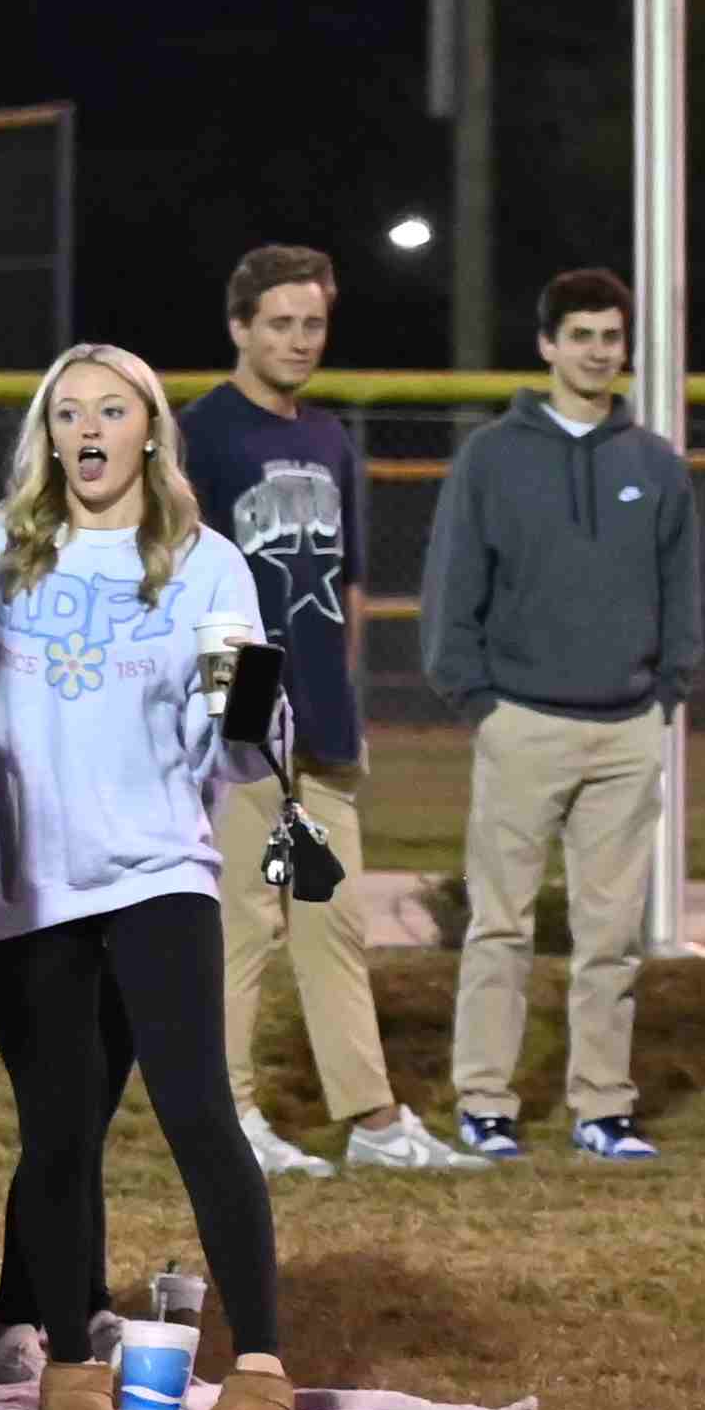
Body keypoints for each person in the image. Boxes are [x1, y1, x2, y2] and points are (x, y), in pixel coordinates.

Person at [0, 347, 299, 1410]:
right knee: (58, 1130)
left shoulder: (205, 564)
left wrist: (248, 720)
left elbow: (241, 749)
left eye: (113, 409)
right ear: (48, 436)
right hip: (26, 889)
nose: (89, 429)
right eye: (69, 412)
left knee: (196, 1111)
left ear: (151, 431)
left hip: (156, 872)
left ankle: (263, 1375)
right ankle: (71, 1362)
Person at [183, 242, 471, 1176]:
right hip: (243, 692)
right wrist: (221, 718)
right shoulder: (202, 434)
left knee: (334, 918)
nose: (300, 340)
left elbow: (343, 586)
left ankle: (374, 1120)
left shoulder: (330, 438)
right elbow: (179, 585)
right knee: (241, 923)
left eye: (313, 324)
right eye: (280, 324)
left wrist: (344, 706)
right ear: (239, 327)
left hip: (315, 702)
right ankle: (228, 1117)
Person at [421, 265, 705, 1165]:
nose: (597, 351)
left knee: (610, 934)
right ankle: (485, 1104)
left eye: (611, 337)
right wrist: (478, 701)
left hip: (627, 727)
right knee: (500, 925)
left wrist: (665, 693)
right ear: (547, 345)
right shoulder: (492, 458)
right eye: (580, 335)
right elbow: (451, 589)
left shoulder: (655, 464)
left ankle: (602, 1107)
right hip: (523, 724)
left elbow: (682, 595)